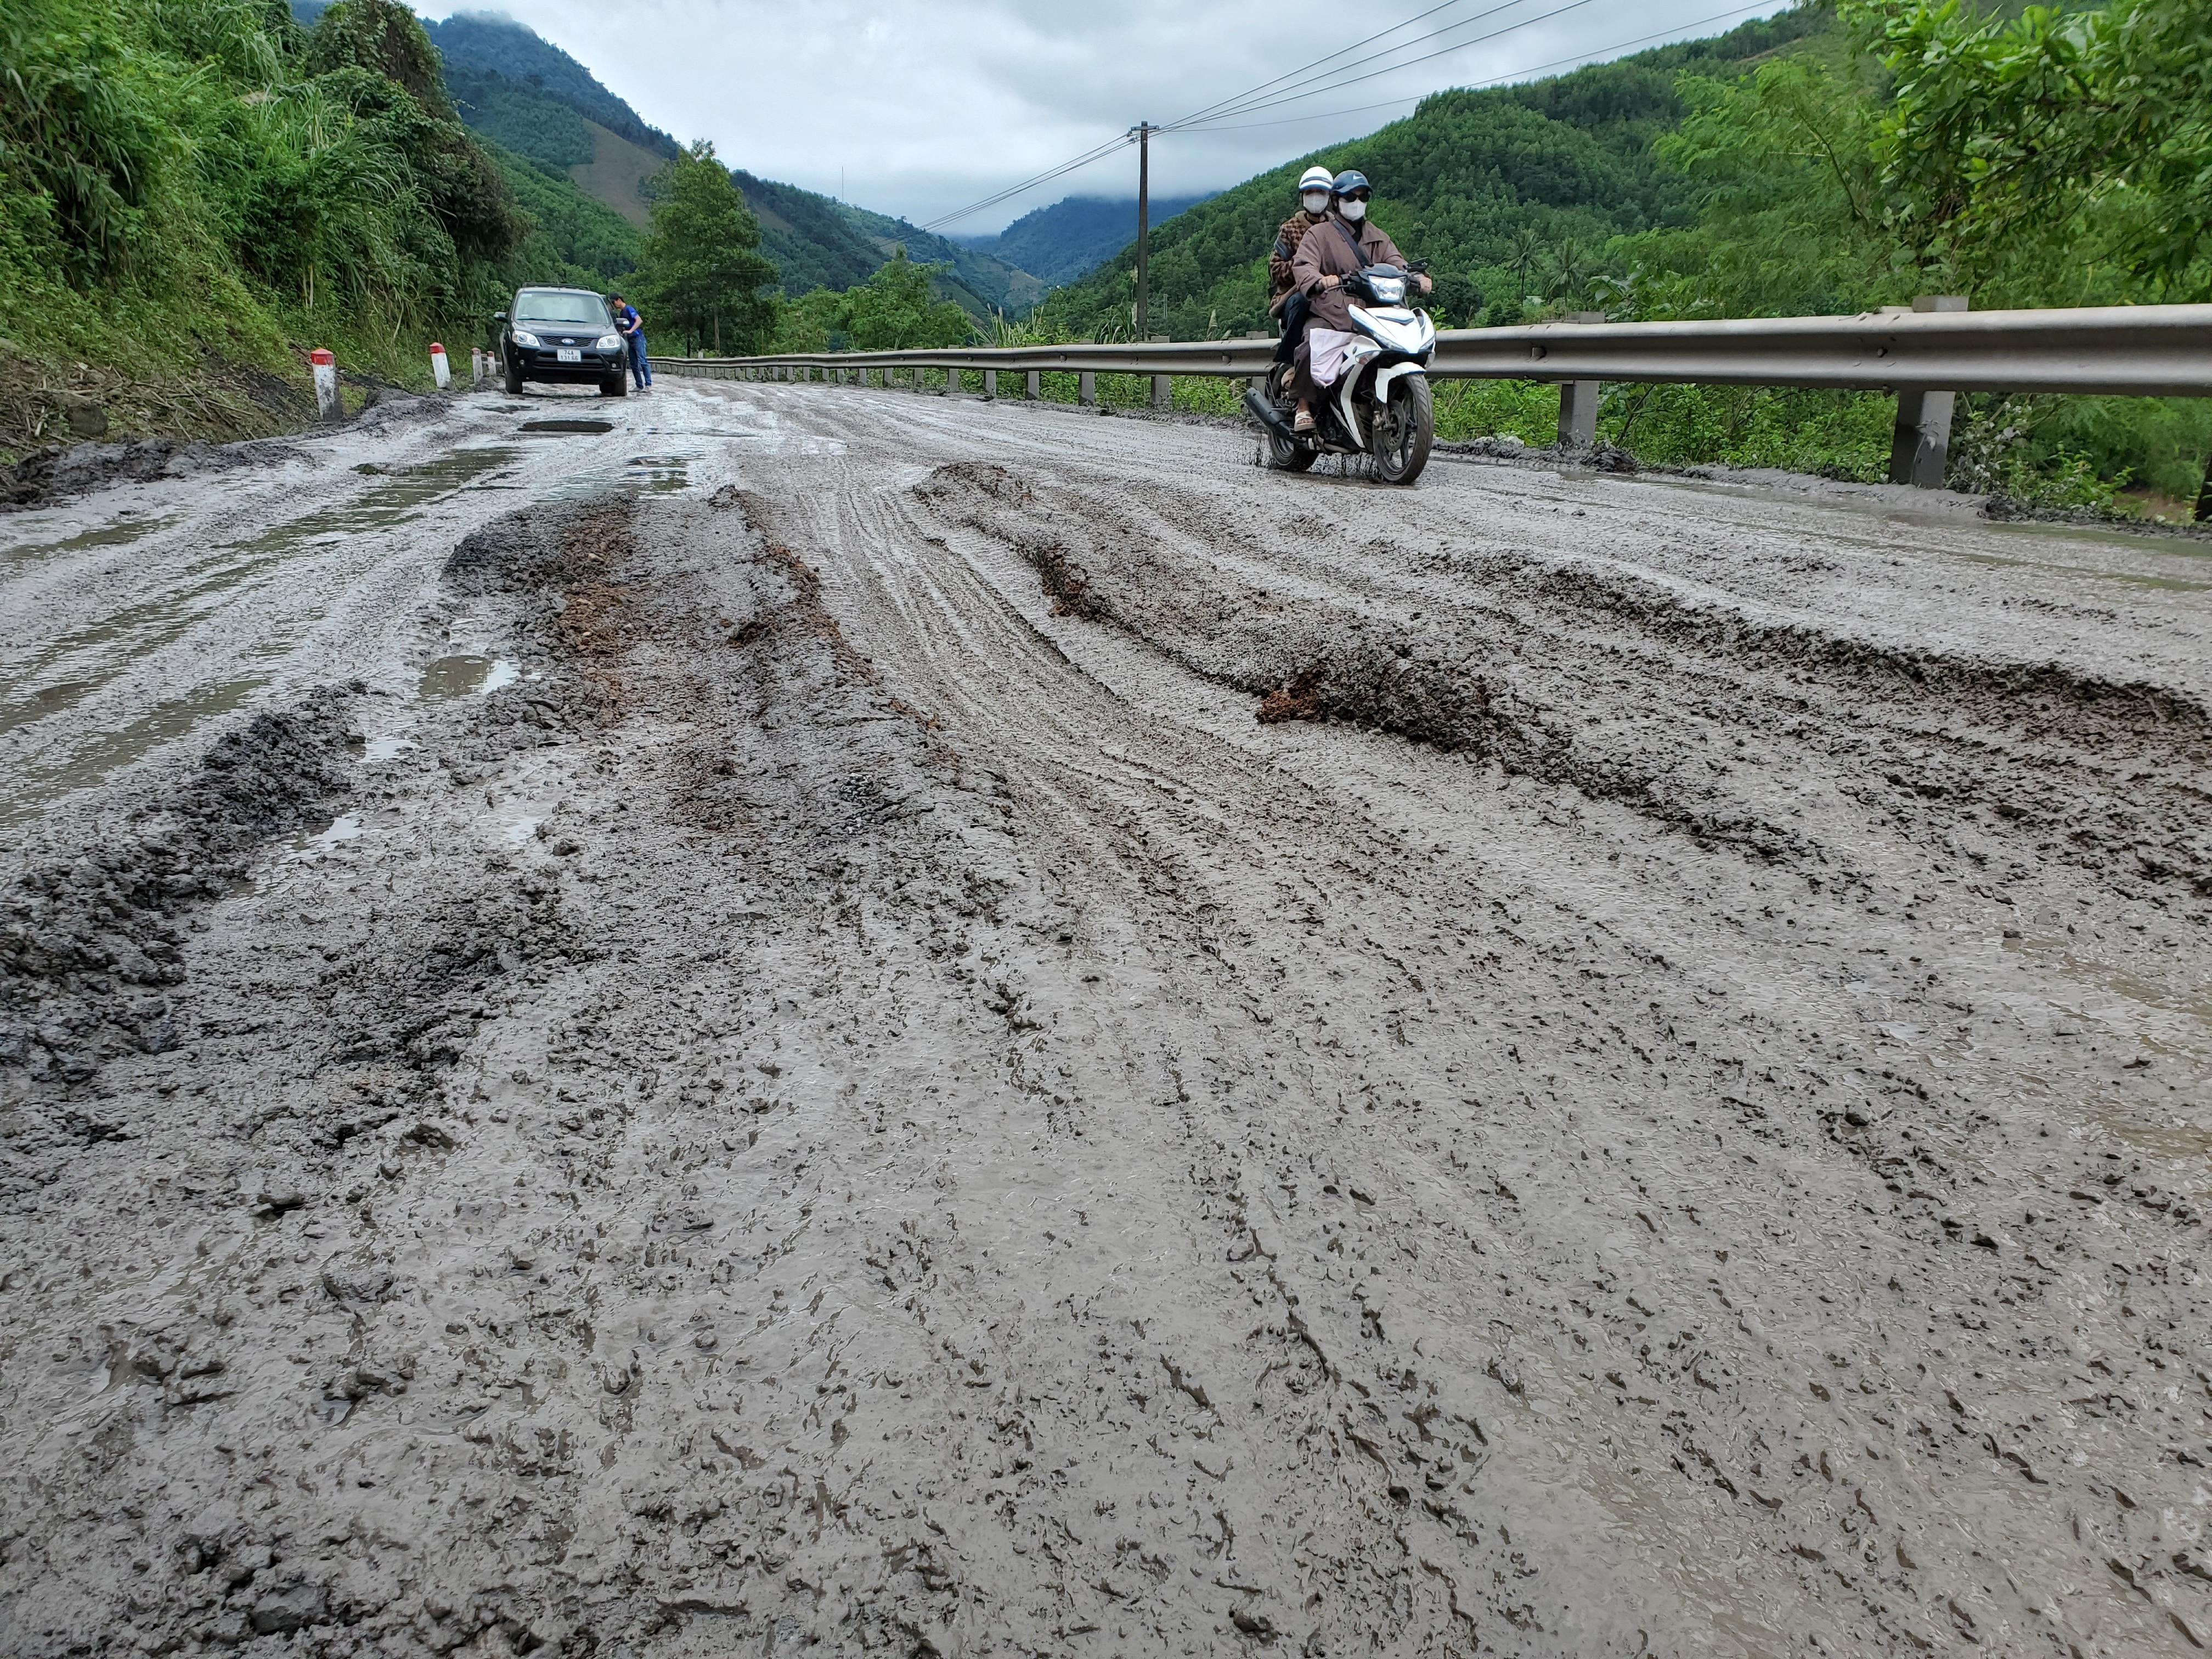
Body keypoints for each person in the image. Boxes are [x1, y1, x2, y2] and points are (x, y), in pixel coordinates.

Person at [1285, 171, 1430, 433]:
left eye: (1362, 196)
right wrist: (1319, 280)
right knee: (1310, 345)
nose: (1356, 201)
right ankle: (1303, 406)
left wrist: (1417, 278)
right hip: (1332, 310)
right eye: (1350, 196)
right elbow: (1304, 265)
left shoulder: (1378, 235)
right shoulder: (1319, 235)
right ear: (1336, 201)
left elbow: (1398, 262)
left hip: (1374, 313)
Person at [1268, 165, 1334, 365]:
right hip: (1296, 294)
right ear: (1303, 197)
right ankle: (1290, 360)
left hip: (1334, 292)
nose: (1315, 197)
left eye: (1321, 192)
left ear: (1330, 197)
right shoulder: (1289, 229)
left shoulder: (1338, 228)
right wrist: (1302, 267)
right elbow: (1275, 270)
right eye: (1310, 193)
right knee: (1302, 302)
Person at [609, 292, 651, 391]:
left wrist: (631, 330)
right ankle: (639, 385)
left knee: (642, 361)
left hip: (638, 337)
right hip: (630, 339)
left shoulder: (629, 309)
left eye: (614, 302)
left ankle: (648, 385)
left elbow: (639, 320)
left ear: (619, 300)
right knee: (633, 363)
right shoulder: (622, 313)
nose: (614, 305)